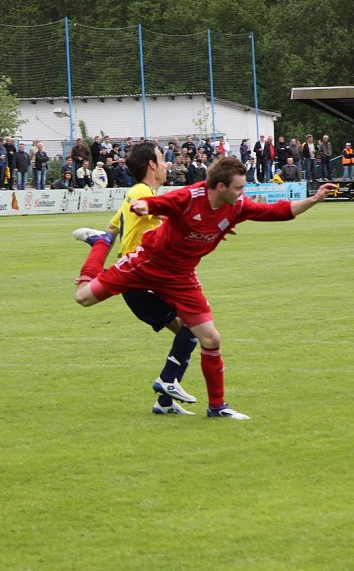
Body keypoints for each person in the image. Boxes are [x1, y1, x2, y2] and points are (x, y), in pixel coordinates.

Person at [72, 155, 332, 420]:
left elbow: (276, 212)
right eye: (238, 188)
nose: (243, 194)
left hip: (181, 276)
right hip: (147, 263)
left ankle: (217, 406)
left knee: (211, 338)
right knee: (83, 297)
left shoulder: (237, 205)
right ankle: (101, 243)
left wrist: (314, 199)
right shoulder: (189, 197)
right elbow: (158, 202)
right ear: (220, 187)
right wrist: (143, 206)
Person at [72, 142, 203, 414]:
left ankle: (165, 402)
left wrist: (97, 249)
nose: (167, 164)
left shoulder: (137, 193)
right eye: (162, 158)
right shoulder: (141, 191)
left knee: (189, 333)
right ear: (152, 165)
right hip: (144, 277)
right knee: (197, 326)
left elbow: (111, 231)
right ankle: (167, 381)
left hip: (144, 278)